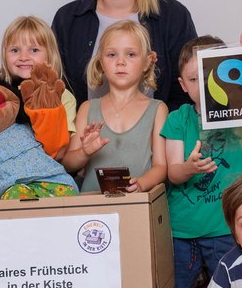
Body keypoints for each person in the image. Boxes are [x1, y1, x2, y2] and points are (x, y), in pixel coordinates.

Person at [162, 34, 242, 288]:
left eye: (208, 73)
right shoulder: (179, 118)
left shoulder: (240, 115)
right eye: (193, 78)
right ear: (182, 85)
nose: (201, 84)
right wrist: (190, 167)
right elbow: (173, 172)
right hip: (182, 230)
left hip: (225, 227)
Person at [53, 0, 197, 111]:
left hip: (161, 136)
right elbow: (54, 90)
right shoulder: (67, 20)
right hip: (85, 137)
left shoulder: (174, 16)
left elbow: (190, 89)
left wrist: (161, 133)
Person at [61, 20, 167, 193]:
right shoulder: (87, 108)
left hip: (137, 206)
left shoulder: (158, 109)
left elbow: (161, 166)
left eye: (131, 54)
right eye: (112, 55)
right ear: (101, 62)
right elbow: (68, 163)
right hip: (92, 209)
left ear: (147, 62)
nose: (120, 62)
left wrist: (141, 184)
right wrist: (85, 152)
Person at [0, 16, 78, 133]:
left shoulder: (63, 97)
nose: (23, 57)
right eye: (15, 50)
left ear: (50, 55)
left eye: (34, 50)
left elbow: (62, 147)